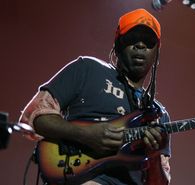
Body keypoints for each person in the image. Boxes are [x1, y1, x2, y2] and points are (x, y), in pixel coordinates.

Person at [19, 8, 171, 185]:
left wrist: (153, 155)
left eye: (149, 41)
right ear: (118, 44)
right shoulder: (88, 69)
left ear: (157, 53)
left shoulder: (158, 115)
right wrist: (86, 134)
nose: (140, 45)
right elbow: (34, 116)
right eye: (132, 38)